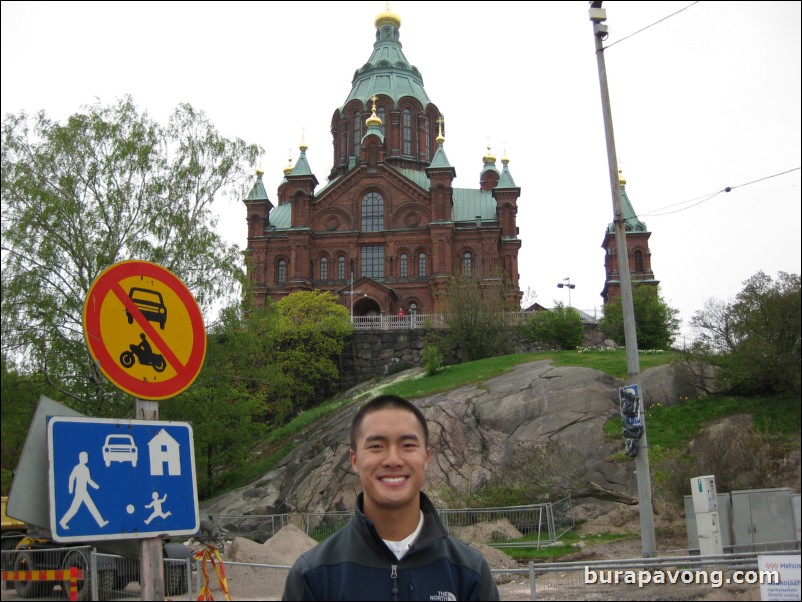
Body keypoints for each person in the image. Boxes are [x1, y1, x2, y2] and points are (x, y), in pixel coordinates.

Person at [282, 394, 499, 601]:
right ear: (354, 460)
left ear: (425, 458)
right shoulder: (314, 575)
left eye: (407, 445)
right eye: (376, 446)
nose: (393, 460)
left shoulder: (469, 572)